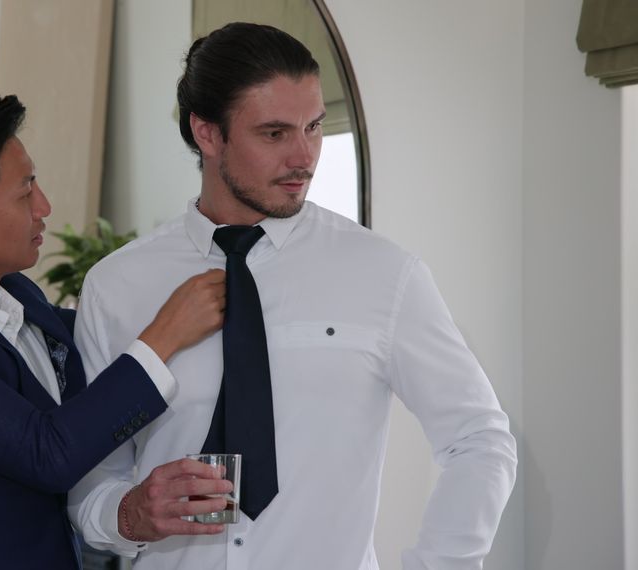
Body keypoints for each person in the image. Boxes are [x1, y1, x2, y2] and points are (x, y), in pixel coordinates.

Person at [67, 22, 518, 570]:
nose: (304, 157)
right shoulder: (117, 286)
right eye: (275, 133)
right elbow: (89, 480)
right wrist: (130, 513)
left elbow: (479, 438)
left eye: (314, 127)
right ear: (207, 133)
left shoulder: (383, 273)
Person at [0, 95, 230, 569]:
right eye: (25, 191)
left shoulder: (17, 292)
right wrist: (167, 333)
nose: (44, 206)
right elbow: (47, 453)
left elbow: (99, 347)